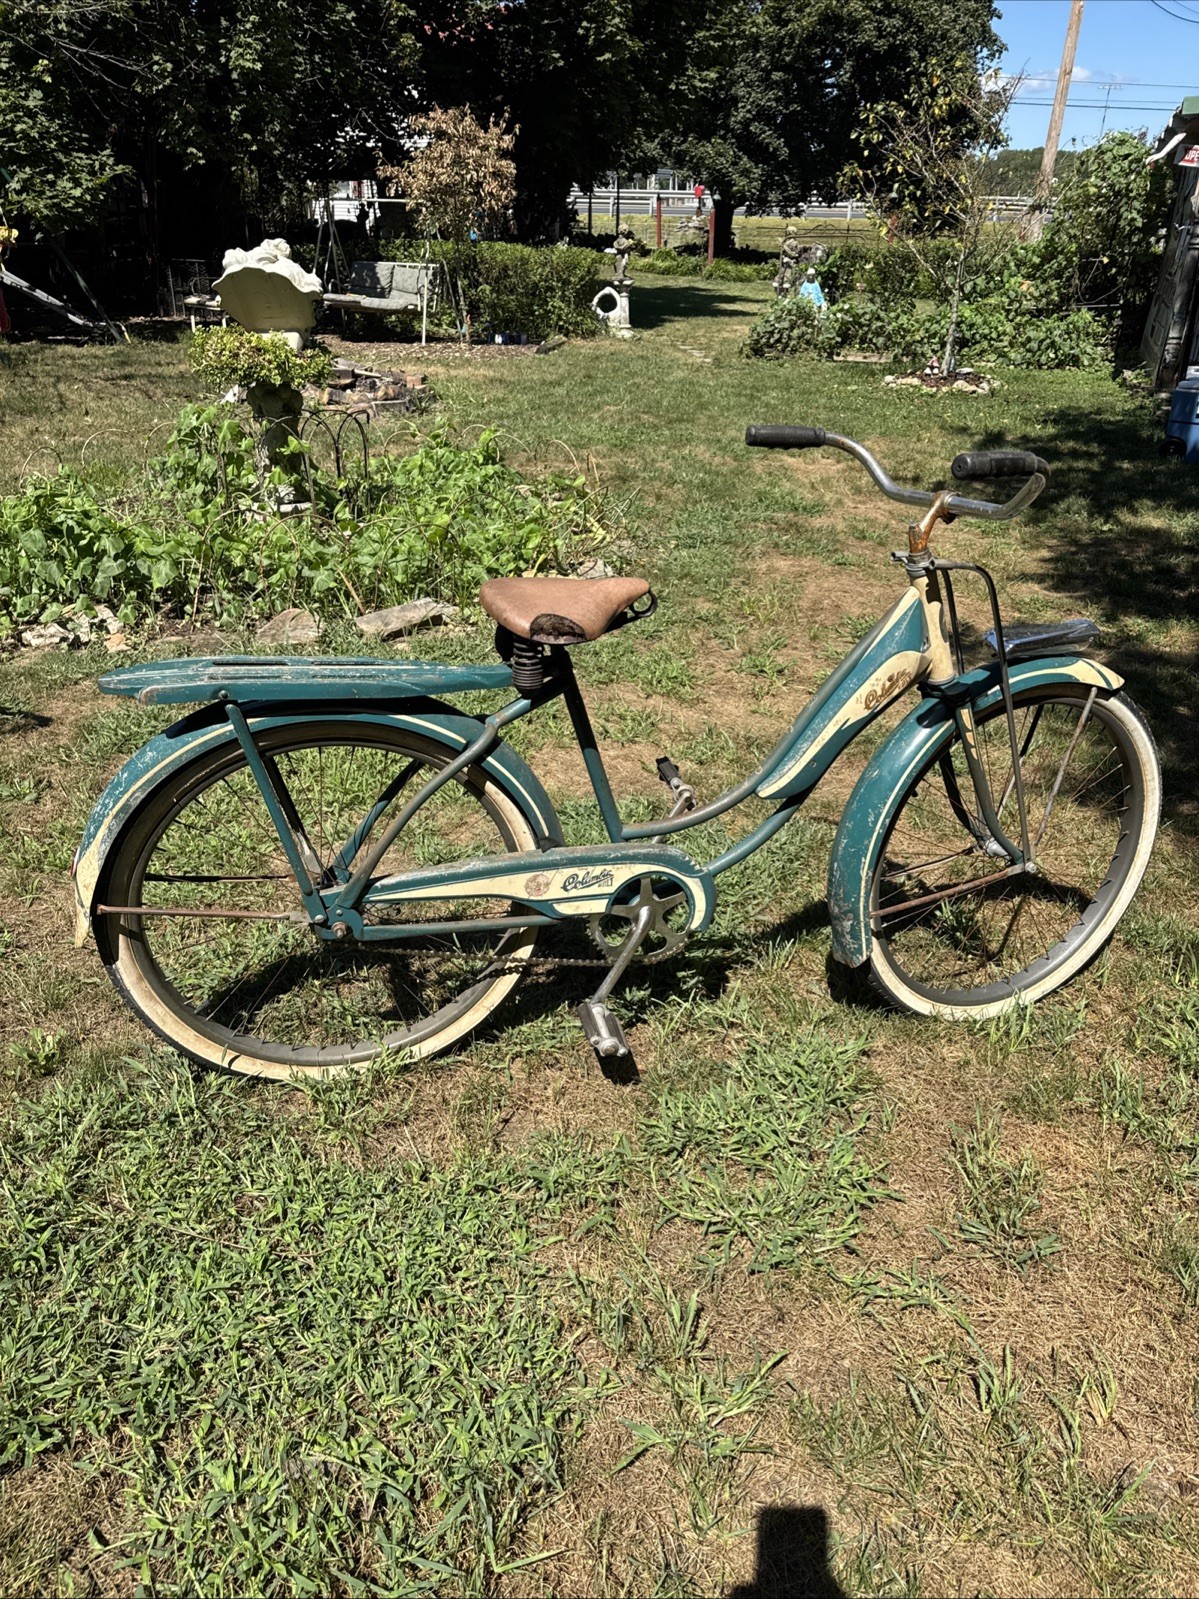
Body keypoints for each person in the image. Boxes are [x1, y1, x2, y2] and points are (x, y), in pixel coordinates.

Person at [773, 225, 803, 296]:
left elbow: (794, 253)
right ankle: (781, 291)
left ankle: (783, 291)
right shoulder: (790, 241)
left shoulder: (793, 242)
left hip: (790, 261)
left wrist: (783, 245)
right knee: (783, 274)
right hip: (786, 260)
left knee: (786, 275)